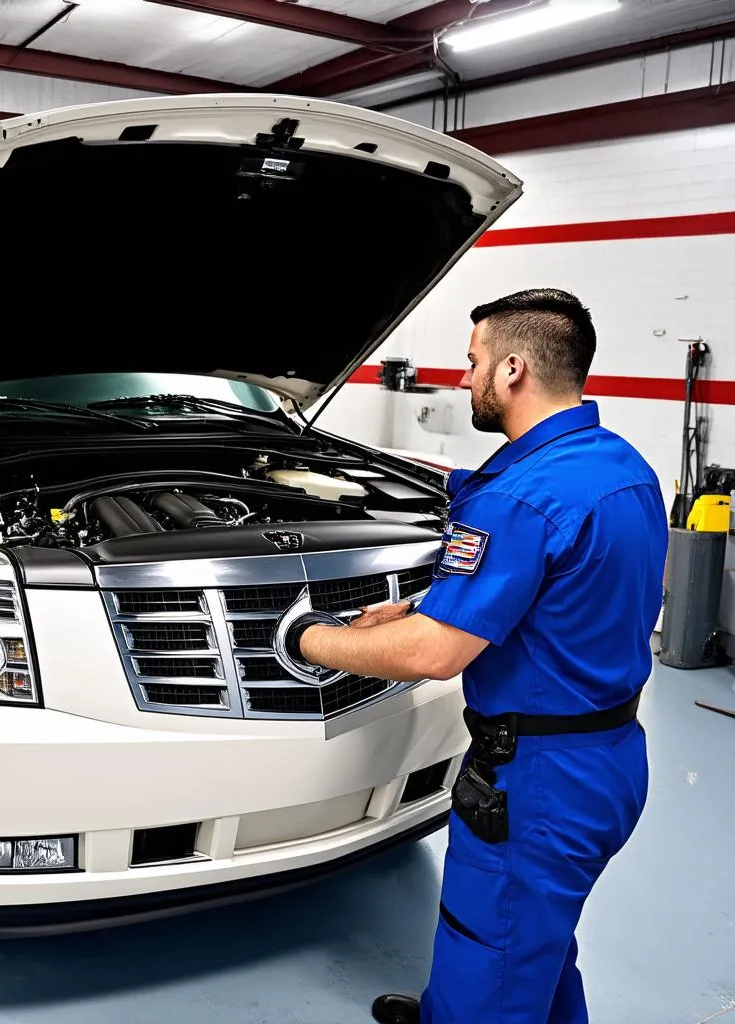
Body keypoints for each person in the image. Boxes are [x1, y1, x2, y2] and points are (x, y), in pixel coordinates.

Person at [278, 289, 668, 1024]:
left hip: (535, 784)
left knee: (486, 954)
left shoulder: (518, 500)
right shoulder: (620, 466)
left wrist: (310, 639)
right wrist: (431, 601)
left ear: (514, 367)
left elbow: (433, 655)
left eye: (473, 361)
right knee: (537, 942)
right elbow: (559, 590)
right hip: (610, 757)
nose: (464, 380)